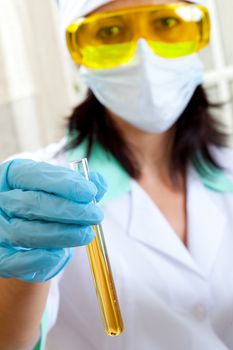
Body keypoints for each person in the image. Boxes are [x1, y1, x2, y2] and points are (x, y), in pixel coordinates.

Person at [1, 0, 233, 349]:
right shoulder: (40, 195)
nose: (144, 54)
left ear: (197, 34)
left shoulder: (227, 168)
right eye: (110, 32)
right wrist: (16, 274)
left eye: (166, 23)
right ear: (78, 54)